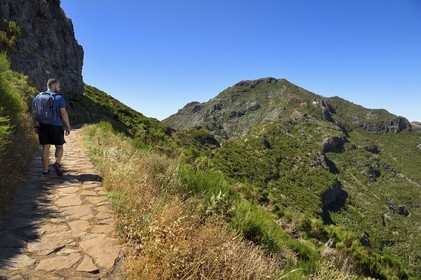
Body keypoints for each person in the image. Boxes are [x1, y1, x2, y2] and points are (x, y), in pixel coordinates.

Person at [32, 78, 71, 177]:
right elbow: (63, 113)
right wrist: (68, 126)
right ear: (52, 85)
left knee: (45, 147)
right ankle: (57, 163)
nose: (59, 87)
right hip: (56, 126)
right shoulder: (59, 97)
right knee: (59, 146)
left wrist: (36, 125)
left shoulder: (38, 97)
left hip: (42, 126)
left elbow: (34, 113)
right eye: (58, 85)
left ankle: (45, 170)